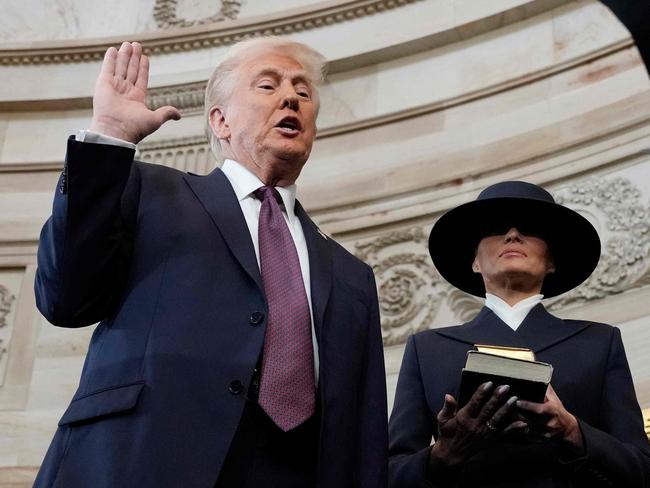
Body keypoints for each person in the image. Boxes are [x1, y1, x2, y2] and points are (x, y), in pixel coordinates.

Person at [33, 38, 387, 488]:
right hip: (142, 462)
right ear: (220, 120)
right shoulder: (148, 191)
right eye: (267, 85)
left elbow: (365, 431)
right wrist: (110, 136)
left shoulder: (352, 275)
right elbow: (66, 297)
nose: (291, 97)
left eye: (303, 90)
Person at [388, 181, 650, 487]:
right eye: (496, 227)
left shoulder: (599, 343)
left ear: (552, 261)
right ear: (474, 261)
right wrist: (444, 454)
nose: (513, 234)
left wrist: (572, 431)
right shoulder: (427, 349)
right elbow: (389, 474)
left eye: (530, 227)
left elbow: (642, 471)